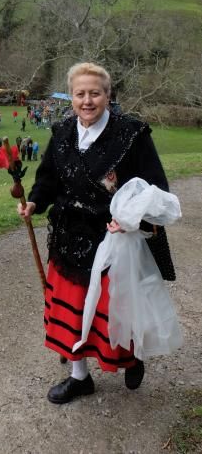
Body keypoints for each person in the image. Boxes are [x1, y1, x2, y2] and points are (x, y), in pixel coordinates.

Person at [18, 62, 176, 404]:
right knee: (70, 314)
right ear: (71, 97)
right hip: (68, 239)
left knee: (120, 310)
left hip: (115, 241)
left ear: (107, 95)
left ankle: (133, 356)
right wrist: (33, 203)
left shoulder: (132, 134)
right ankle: (79, 377)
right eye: (80, 94)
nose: (87, 101)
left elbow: (156, 188)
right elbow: (47, 179)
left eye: (95, 93)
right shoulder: (61, 133)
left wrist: (131, 219)